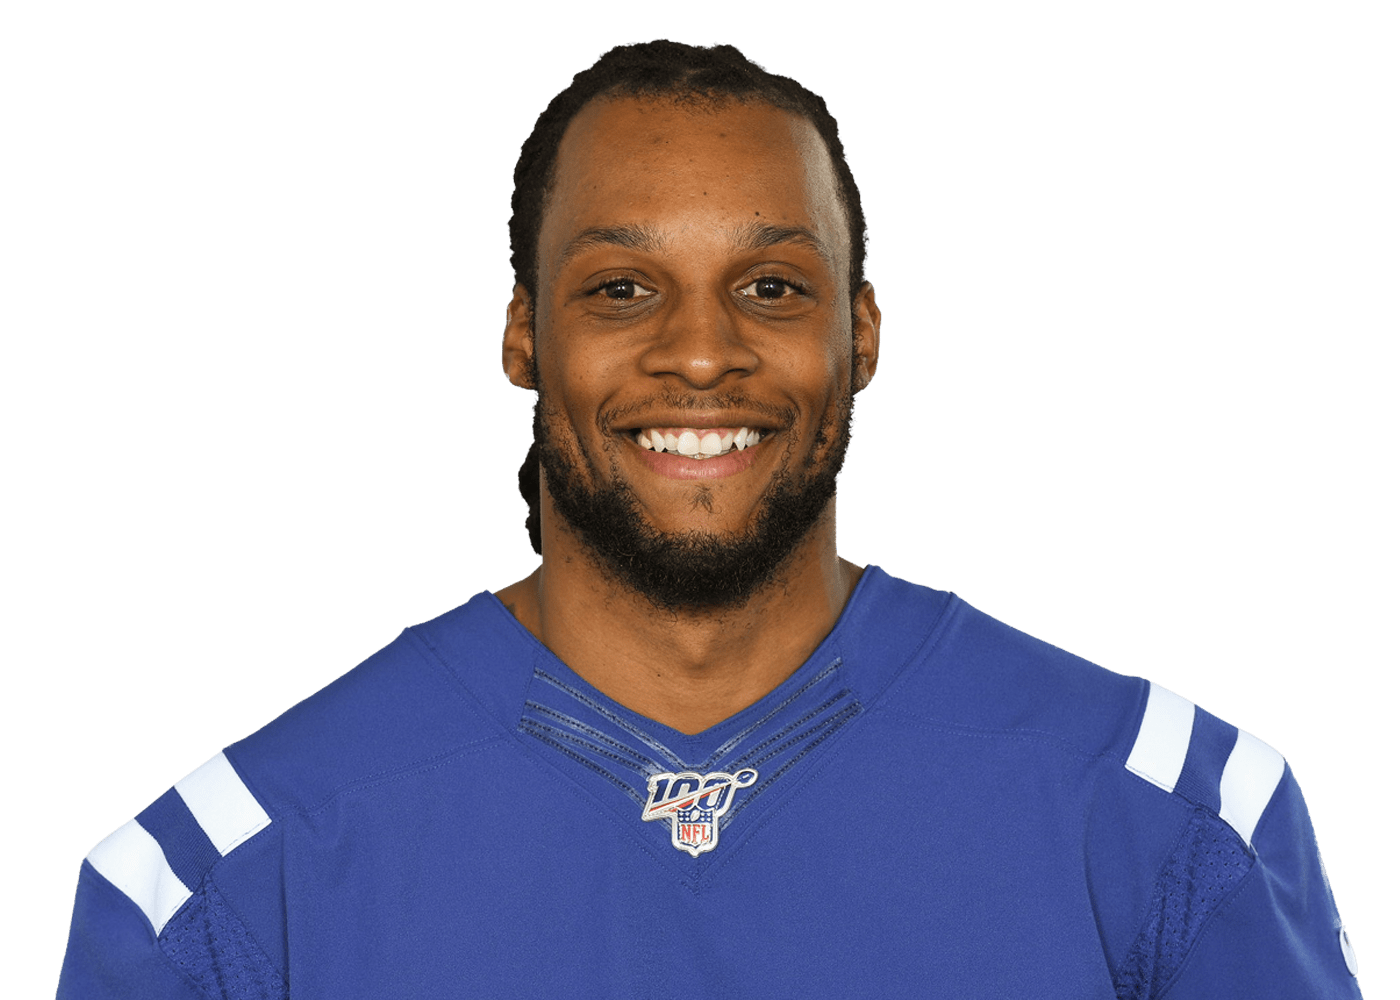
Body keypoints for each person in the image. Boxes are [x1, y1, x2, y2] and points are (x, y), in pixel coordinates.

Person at [57, 39, 1363, 999]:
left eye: (772, 286)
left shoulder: (1175, 821)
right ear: (524, 335)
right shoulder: (228, 881)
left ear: (861, 335)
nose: (699, 350)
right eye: (622, 288)